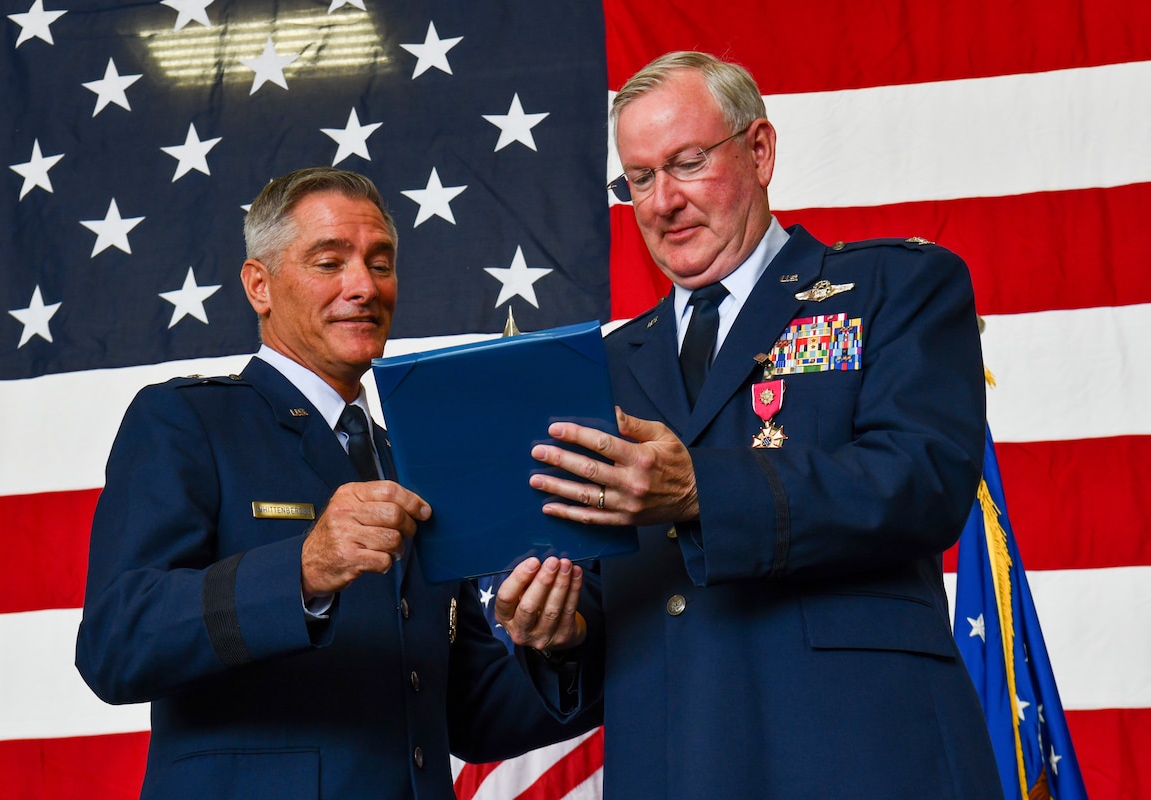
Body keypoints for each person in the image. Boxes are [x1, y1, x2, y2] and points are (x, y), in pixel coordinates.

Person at [497, 51, 1005, 798]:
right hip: (674, 764)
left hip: (858, 753)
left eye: (688, 162)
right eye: (640, 178)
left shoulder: (895, 287)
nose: (663, 200)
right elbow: (612, 589)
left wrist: (701, 489)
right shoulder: (600, 367)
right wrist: (562, 632)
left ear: (759, 151)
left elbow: (924, 481)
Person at [76, 167, 592, 800]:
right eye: (329, 262)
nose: (363, 287)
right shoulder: (187, 421)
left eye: (381, 263)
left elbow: (470, 714)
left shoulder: (414, 459)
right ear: (259, 285)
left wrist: (558, 648)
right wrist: (301, 570)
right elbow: (114, 645)